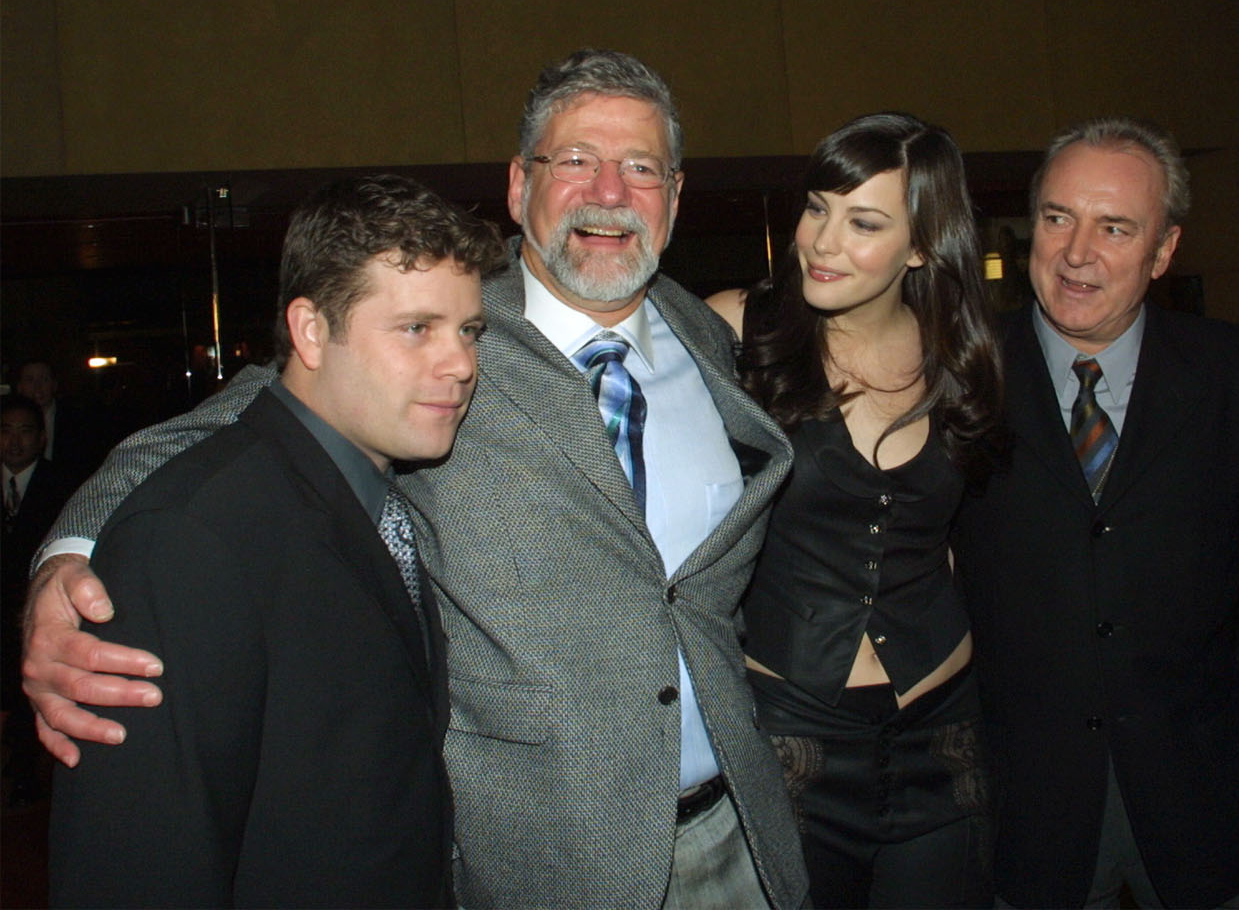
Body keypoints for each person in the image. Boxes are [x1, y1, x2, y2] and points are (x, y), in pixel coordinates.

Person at [23, 49, 808, 909]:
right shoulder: (444, 331)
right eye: (576, 161)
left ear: (677, 196)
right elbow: (207, 437)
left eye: (641, 168)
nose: (609, 193)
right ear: (518, 186)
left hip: (737, 832)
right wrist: (68, 560)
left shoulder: (705, 335)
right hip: (540, 864)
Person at [45, 174, 504, 907]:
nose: (461, 364)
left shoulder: (379, 492)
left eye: (469, 330)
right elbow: (137, 865)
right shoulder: (190, 539)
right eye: (417, 328)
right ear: (312, 330)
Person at [948, 118, 1239, 908]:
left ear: (1164, 250)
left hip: (1208, 795)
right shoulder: (962, 376)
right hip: (1024, 809)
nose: (1076, 253)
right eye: (1060, 218)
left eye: (1115, 228)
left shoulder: (1237, 378)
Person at [707, 113, 1004, 908]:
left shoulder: (963, 357)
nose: (822, 241)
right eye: (817, 208)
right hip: (792, 732)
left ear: (920, 245)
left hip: (944, 732)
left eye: (863, 222)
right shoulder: (738, 330)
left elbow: (950, 538)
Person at [2, 394, 77, 808]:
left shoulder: (63, 485)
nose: (14, 443)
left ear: (41, 437)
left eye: (24, 432)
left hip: (33, 610)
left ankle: (27, 771)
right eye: (5, 432)